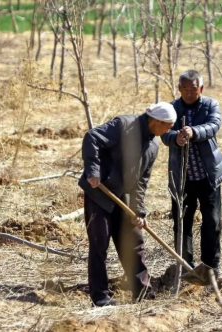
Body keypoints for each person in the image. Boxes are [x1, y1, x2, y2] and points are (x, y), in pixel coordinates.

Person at [79, 102, 176, 307]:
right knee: (100, 244)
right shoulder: (124, 125)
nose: (169, 131)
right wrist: (93, 171)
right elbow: (92, 137)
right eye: (168, 126)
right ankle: (100, 296)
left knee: (134, 243)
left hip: (123, 198)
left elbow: (141, 182)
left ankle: (142, 292)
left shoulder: (153, 145)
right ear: (156, 121)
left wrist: (139, 211)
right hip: (100, 193)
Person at [161, 69, 222, 275]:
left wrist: (194, 131)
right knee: (181, 223)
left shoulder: (210, 105)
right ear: (179, 88)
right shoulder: (171, 108)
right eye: (185, 89)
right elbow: (163, 132)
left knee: (212, 222)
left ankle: (210, 267)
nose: (189, 93)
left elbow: (214, 125)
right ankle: (185, 267)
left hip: (208, 176)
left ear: (201, 89)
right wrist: (174, 139)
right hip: (182, 179)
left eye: (193, 90)